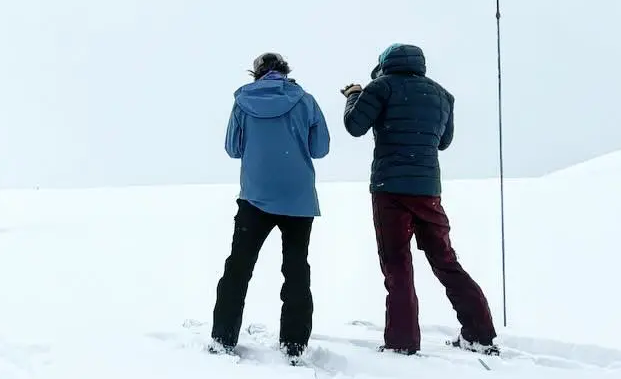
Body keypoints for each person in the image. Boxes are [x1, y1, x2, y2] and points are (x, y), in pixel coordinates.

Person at [341, 43, 498, 355]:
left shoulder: (380, 87)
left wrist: (354, 96)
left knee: (397, 264)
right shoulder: (442, 95)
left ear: (385, 64)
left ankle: (402, 341)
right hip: (428, 190)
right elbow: (444, 142)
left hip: (390, 190)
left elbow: (354, 126)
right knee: (445, 260)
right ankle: (480, 333)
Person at [211, 51, 331, 360]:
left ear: (256, 74)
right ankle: (294, 345)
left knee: (238, 267)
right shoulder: (305, 100)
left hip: (255, 197)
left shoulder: (242, 102)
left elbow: (232, 149)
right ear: (285, 71)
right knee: (296, 269)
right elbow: (320, 149)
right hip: (298, 199)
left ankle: (223, 338)